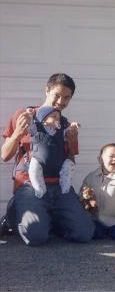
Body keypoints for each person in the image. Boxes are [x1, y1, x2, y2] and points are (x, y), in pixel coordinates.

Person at [1, 73, 95, 246]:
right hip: (29, 185)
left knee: (84, 233)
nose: (61, 101)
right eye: (57, 95)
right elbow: (5, 155)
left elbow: (70, 161)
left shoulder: (65, 124)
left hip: (59, 186)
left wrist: (72, 140)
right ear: (47, 90)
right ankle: (14, 214)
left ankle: (49, 216)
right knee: (36, 237)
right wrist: (17, 133)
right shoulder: (25, 115)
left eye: (66, 98)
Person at [80, 143, 115, 241]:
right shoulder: (91, 177)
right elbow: (83, 194)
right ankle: (102, 231)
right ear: (100, 159)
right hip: (97, 220)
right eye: (112, 156)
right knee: (93, 233)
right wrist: (85, 199)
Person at [28, 105, 78, 199]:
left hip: (59, 161)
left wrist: (73, 126)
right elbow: (29, 125)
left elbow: (70, 130)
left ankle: (65, 187)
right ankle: (39, 189)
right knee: (33, 168)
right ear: (43, 119)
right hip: (39, 159)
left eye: (58, 118)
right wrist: (30, 115)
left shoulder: (60, 131)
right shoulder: (37, 128)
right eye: (54, 116)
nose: (57, 119)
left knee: (69, 165)